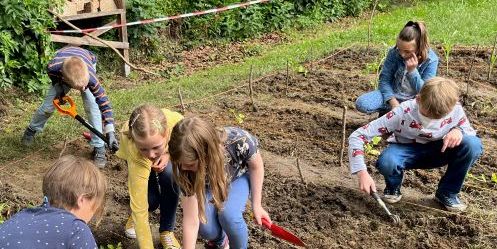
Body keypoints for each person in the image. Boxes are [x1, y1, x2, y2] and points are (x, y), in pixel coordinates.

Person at [349, 77, 483, 212]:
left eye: (439, 117)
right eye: (427, 115)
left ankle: (447, 193)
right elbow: (357, 136)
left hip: (439, 150)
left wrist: (458, 130)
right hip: (405, 151)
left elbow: (469, 131)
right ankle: (393, 186)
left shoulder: (455, 110)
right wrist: (362, 173)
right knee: (388, 162)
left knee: (472, 144)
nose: (432, 120)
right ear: (418, 99)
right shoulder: (402, 112)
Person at [169, 116, 271, 249]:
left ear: (206, 154)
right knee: (205, 227)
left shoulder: (239, 141)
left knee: (229, 215)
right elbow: (191, 221)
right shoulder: (183, 168)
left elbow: (256, 166)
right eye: (180, 164)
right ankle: (220, 242)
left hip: (236, 178)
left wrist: (256, 205)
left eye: (189, 164)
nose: (182, 168)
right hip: (205, 185)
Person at [21, 46, 118, 168]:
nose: (83, 89)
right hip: (62, 69)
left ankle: (99, 147)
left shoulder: (91, 78)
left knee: (92, 106)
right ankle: (31, 130)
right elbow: (55, 80)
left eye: (85, 85)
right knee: (47, 107)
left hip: (88, 61)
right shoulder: (52, 68)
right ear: (66, 79)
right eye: (80, 88)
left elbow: (104, 103)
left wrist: (110, 131)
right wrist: (60, 92)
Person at [0, 155, 107, 249]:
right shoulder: (76, 229)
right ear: (81, 200)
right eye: (94, 207)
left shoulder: (20, 216)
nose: (91, 216)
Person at [115, 104, 182, 249]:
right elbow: (140, 209)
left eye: (156, 147)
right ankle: (132, 217)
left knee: (170, 176)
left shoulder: (179, 126)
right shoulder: (133, 147)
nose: (151, 155)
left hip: (168, 152)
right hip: (137, 158)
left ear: (167, 134)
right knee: (149, 201)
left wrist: (168, 154)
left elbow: (187, 146)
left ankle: (166, 231)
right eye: (144, 148)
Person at [355, 21, 439, 115]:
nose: (402, 54)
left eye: (407, 51)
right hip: (393, 94)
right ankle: (388, 112)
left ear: (420, 47)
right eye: (400, 49)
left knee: (435, 105)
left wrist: (412, 72)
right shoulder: (394, 52)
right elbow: (384, 80)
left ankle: (403, 117)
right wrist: (393, 102)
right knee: (363, 103)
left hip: (415, 100)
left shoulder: (431, 60)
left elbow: (425, 91)